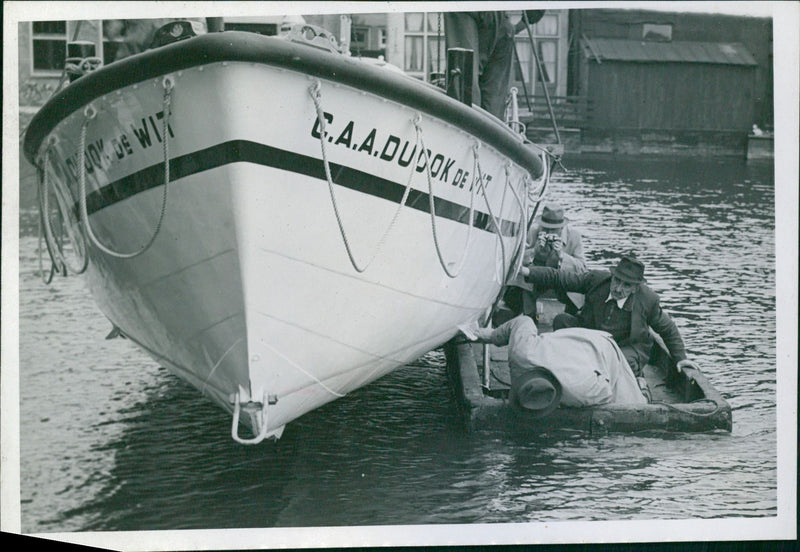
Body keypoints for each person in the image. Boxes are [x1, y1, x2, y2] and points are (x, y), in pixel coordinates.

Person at [522, 254, 700, 378]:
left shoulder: (648, 300)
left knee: (622, 363)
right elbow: (559, 278)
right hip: (591, 335)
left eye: (627, 285)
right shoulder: (597, 280)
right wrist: (528, 272)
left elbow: (667, 329)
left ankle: (600, 373)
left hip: (623, 346)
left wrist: (681, 358)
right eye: (617, 280)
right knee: (562, 321)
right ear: (612, 277)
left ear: (636, 288)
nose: (618, 288)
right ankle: (576, 365)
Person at [462, 315, 646, 415]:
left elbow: (606, 394)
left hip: (600, 347)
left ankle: (642, 390)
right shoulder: (521, 353)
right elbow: (522, 321)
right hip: (568, 343)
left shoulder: (580, 392)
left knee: (632, 403)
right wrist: (490, 335)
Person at [444, 10, 545, 119]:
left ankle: (464, 129)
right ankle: (487, 133)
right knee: (493, 102)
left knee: (465, 85)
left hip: (465, 10)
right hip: (500, 19)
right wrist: (521, 23)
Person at [504, 203, 586, 318]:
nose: (549, 234)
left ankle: (571, 315)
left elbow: (582, 267)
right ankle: (528, 315)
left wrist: (562, 256)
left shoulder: (574, 236)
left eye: (554, 230)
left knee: (576, 291)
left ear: (562, 228)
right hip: (536, 278)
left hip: (561, 279)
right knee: (522, 281)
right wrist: (534, 251)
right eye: (546, 229)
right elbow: (515, 262)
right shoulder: (532, 231)